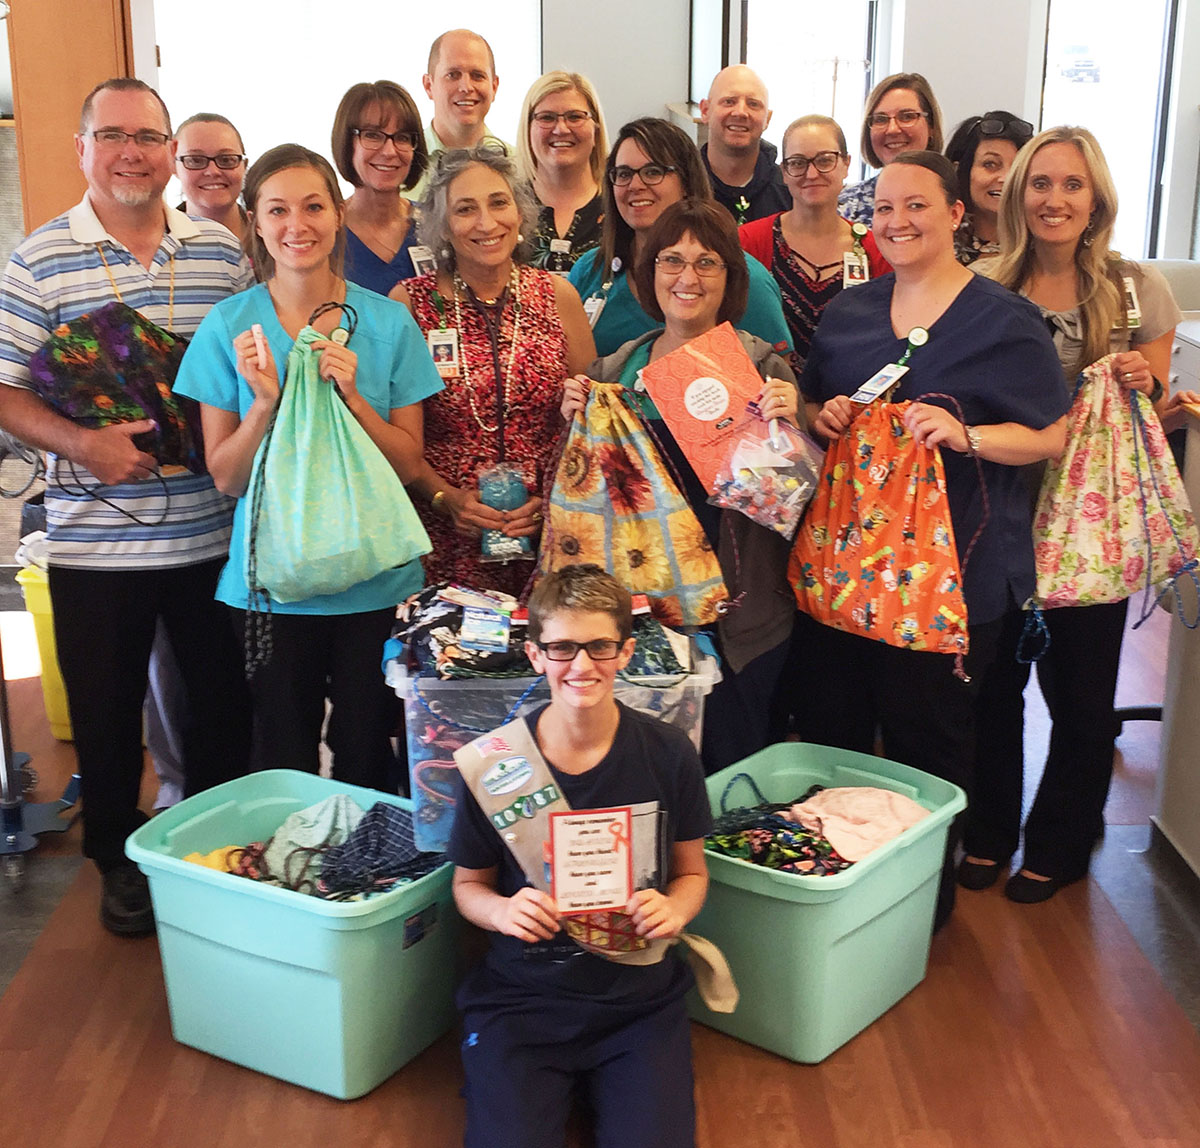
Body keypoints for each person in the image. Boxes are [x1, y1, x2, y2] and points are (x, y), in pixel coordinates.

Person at [0, 78, 253, 937]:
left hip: (212, 536)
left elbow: (249, 373)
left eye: (148, 136)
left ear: (168, 149)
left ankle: (218, 853)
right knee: (105, 723)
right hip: (93, 545)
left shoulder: (221, 252)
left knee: (222, 710)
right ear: (83, 148)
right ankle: (117, 860)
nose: (132, 152)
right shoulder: (38, 258)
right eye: (113, 135)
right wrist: (84, 444)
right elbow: (3, 389)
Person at [797, 151, 1069, 928]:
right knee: (837, 729)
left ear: (956, 215)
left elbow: (1049, 437)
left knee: (932, 742)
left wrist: (968, 434)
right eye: (883, 209)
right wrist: (824, 415)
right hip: (848, 573)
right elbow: (819, 399)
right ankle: (836, 888)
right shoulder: (850, 312)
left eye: (916, 205)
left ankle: (920, 907)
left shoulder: (1003, 318)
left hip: (958, 575)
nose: (897, 222)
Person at [966, 127, 1195, 903]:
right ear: (1017, 193)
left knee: (1082, 692)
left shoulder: (1134, 292)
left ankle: (1062, 837)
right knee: (994, 684)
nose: (1054, 199)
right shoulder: (982, 285)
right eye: (1040, 183)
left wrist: (1143, 385)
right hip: (1001, 516)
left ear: (1094, 197)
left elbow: (1157, 422)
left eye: (1071, 184)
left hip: (1093, 527)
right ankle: (990, 828)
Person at [174, 144, 442, 790]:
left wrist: (353, 398)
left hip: (374, 583)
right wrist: (264, 402)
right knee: (282, 754)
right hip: (270, 587)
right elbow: (228, 478)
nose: (299, 224)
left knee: (366, 752)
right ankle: (292, 885)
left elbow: (409, 464)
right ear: (255, 223)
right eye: (278, 209)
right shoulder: (229, 328)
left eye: (315, 206)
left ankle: (369, 882)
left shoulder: (387, 324)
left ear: (338, 215)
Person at [448, 563, 711, 1148]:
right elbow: (468, 887)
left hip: (637, 1003)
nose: (582, 665)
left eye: (599, 645)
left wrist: (674, 910)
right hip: (522, 1002)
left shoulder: (669, 754)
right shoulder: (494, 765)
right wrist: (501, 913)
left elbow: (693, 875)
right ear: (536, 654)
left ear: (626, 651)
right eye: (563, 648)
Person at [563, 198, 800, 773]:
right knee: (642, 776)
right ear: (650, 273)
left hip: (738, 622)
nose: (687, 277)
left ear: (732, 278)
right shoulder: (613, 374)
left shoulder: (761, 368)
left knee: (730, 778)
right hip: (639, 621)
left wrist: (790, 428)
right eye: (671, 260)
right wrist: (572, 417)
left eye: (707, 262)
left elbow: (788, 505)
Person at [390, 146, 595, 598]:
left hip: (550, 533)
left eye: (499, 202)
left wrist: (555, 500)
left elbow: (590, 427)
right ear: (442, 225)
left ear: (520, 213)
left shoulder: (558, 296)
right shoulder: (410, 304)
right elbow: (397, 438)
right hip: (446, 538)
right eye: (465, 209)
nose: (486, 223)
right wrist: (445, 498)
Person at [569, 117, 791, 358]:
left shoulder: (745, 278)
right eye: (623, 174)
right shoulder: (590, 272)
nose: (635, 184)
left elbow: (776, 380)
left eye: (653, 172)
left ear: (686, 182)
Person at [738, 113, 891, 373]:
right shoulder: (748, 242)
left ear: (846, 164)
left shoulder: (876, 250)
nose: (811, 173)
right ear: (784, 172)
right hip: (767, 400)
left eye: (825, 160)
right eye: (797, 163)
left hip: (850, 404)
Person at [332, 80, 431, 296]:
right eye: (372, 135)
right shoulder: (327, 230)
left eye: (402, 138)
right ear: (347, 143)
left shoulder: (434, 226)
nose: (389, 151)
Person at [516, 70, 608, 274]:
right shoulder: (506, 206)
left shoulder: (619, 205)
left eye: (575, 117)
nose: (561, 129)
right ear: (527, 128)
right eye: (546, 118)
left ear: (596, 128)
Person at [404, 28, 508, 202]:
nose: (466, 87)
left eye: (477, 75)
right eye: (452, 75)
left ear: (494, 86)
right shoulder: (400, 165)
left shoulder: (520, 167)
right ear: (429, 86)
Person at [838, 72, 943, 226]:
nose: (892, 129)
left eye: (907, 117)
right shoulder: (845, 207)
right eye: (880, 119)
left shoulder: (956, 199)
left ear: (931, 126)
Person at [699, 64, 789, 225]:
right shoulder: (681, 187)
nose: (740, 112)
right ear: (705, 111)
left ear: (767, 119)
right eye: (729, 101)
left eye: (753, 104)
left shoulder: (790, 192)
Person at [943, 111, 1033, 265]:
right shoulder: (936, 247)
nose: (1006, 178)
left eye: (1018, 167)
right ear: (960, 170)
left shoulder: (1043, 251)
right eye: (990, 164)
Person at [174, 112, 248, 242]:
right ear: (173, 167)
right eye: (195, 160)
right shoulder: (153, 245)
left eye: (226, 159)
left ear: (244, 166)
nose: (213, 171)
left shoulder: (274, 241)